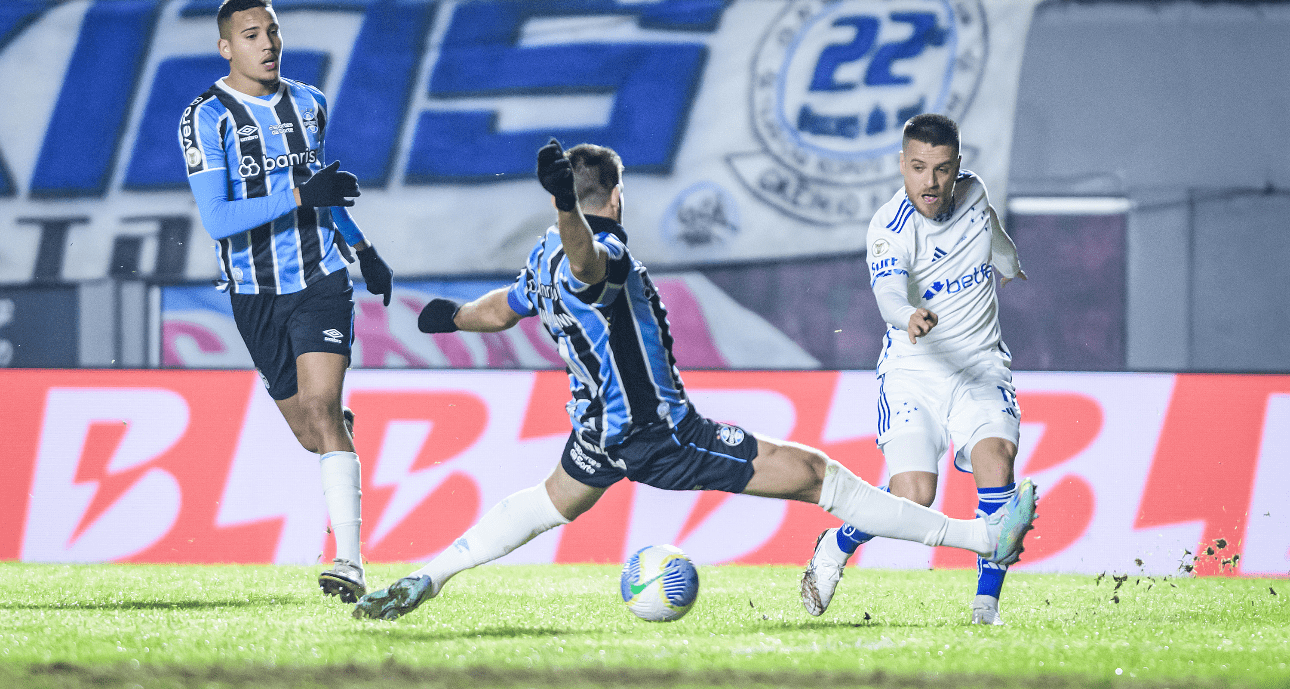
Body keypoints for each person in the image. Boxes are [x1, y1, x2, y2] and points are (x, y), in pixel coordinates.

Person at [352, 138, 1036, 621]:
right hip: (660, 432)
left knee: (542, 503)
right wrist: (566, 207)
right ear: (616, 196)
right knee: (820, 477)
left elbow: (500, 308)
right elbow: (590, 269)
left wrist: (446, 317)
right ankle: (981, 539)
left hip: (597, 430)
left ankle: (430, 575)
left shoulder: (538, 262)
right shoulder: (602, 247)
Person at [179, 0, 395, 603]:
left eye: (271, 31)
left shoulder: (309, 103)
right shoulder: (205, 117)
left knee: (322, 411)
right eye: (250, 34)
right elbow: (219, 220)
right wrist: (303, 197)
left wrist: (363, 249)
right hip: (253, 292)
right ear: (226, 47)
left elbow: (320, 191)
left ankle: (349, 562)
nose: (267, 43)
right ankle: (336, 441)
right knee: (312, 431)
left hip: (321, 280)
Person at [800, 113, 1029, 625]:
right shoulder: (888, 228)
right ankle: (837, 544)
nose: (930, 182)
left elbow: (989, 230)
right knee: (914, 494)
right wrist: (908, 315)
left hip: (980, 369)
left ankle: (985, 608)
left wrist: (1010, 264)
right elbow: (886, 293)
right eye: (919, 167)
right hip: (914, 374)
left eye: (942, 169)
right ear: (902, 165)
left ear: (958, 169)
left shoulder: (974, 193)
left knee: (997, 461)